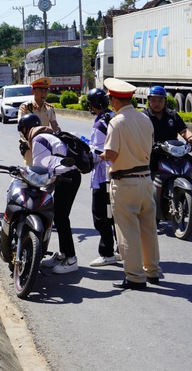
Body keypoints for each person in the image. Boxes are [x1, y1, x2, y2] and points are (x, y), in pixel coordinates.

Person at [100, 78, 161, 290]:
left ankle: (135, 277)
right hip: (146, 180)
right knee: (148, 228)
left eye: (110, 98)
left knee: (127, 231)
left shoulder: (116, 122)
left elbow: (112, 153)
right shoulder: (145, 120)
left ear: (115, 100)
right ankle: (152, 271)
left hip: (125, 182)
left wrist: (100, 155)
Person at [18, 114, 82, 274]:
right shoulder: (47, 136)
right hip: (67, 176)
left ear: (26, 129)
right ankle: (62, 254)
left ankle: (71, 259)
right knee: (57, 216)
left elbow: (39, 170)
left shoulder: (38, 140)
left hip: (68, 177)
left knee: (61, 217)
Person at [143, 86, 192, 189]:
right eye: (154, 100)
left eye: (160, 100)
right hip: (153, 153)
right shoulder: (143, 117)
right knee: (145, 174)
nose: (157, 104)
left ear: (165, 101)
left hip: (174, 152)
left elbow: (184, 131)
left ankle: (186, 196)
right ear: (149, 101)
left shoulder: (172, 115)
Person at [85, 88, 119, 267]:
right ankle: (121, 249)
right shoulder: (114, 117)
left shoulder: (100, 124)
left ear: (92, 105)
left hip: (103, 176)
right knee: (116, 216)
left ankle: (107, 252)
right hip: (117, 174)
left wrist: (86, 153)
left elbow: (99, 153)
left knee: (101, 216)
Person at [17, 77, 61, 166]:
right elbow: (21, 128)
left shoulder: (49, 108)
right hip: (30, 145)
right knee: (31, 172)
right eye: (41, 90)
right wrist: (27, 142)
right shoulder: (25, 107)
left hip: (45, 145)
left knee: (47, 172)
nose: (43, 93)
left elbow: (54, 124)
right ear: (33, 91)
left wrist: (60, 135)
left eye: (45, 91)